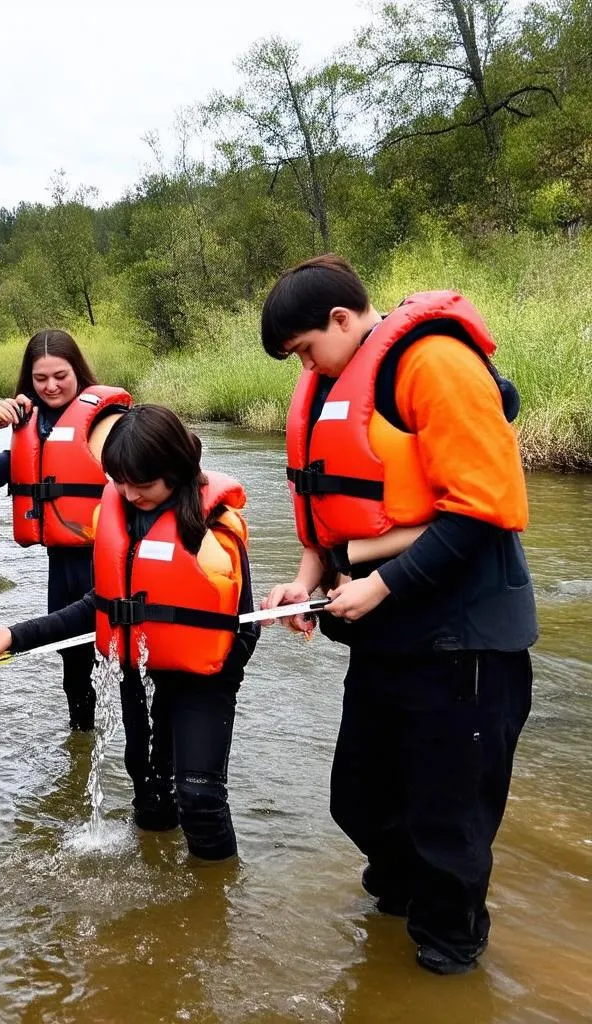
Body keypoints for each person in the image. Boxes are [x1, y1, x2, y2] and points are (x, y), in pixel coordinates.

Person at [259, 255, 536, 974]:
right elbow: (329, 504)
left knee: (449, 824)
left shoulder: (434, 362)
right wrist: (307, 578)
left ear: (342, 321)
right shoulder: (327, 379)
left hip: (465, 640)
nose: (304, 366)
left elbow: (483, 509)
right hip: (388, 640)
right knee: (361, 796)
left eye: (305, 349)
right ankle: (392, 924)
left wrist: (378, 585)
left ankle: (447, 960)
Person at [0, 405, 259, 861]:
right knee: (150, 800)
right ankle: (160, 882)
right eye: (119, 481)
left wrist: (211, 673)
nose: (128, 493)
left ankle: (215, 908)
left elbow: (244, 627)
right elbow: (97, 606)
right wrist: (15, 634)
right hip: (137, 672)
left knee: (200, 798)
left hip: (205, 678)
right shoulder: (120, 514)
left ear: (176, 470)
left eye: (141, 484)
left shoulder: (213, 525)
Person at [0, 329, 131, 731]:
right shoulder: (28, 427)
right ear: (28, 381)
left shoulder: (106, 420)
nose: (51, 386)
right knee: (73, 667)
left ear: (78, 373)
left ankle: (135, 752)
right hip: (62, 567)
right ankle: (82, 746)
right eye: (41, 379)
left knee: (124, 659)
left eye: (61, 375)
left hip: (107, 560)